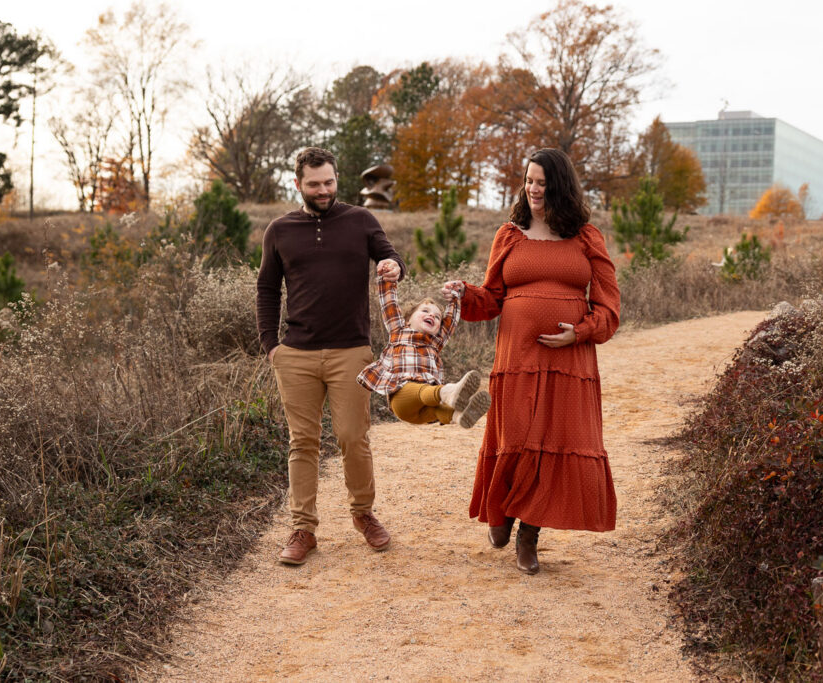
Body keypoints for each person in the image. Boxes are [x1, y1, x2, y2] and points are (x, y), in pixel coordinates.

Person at [442, 148, 621, 575]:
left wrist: (577, 333)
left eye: (541, 182)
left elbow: (609, 308)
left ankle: (529, 535)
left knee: (552, 441)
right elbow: (491, 300)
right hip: (517, 357)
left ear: (559, 186)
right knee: (517, 435)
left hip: (569, 362)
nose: (533, 189)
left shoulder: (585, 237)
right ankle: (502, 511)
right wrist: (464, 294)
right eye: (528, 181)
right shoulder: (510, 235)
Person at [257, 147, 407, 566]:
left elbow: (390, 255)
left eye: (329, 182)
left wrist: (394, 266)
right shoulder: (279, 230)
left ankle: (363, 514)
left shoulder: (360, 220)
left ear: (337, 179)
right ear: (297, 184)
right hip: (297, 354)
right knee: (302, 443)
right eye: (314, 184)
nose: (323, 191)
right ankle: (303, 529)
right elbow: (266, 289)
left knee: (352, 437)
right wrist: (272, 346)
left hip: (350, 352)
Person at [357, 276, 491, 429]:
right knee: (425, 391)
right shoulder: (398, 331)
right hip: (402, 400)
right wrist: (387, 279)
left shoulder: (435, 342)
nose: (431, 316)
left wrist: (455, 296)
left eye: (437, 317)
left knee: (438, 410)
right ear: (408, 319)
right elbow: (389, 304)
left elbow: (451, 320)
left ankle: (461, 415)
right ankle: (448, 392)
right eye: (425, 311)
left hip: (425, 410)